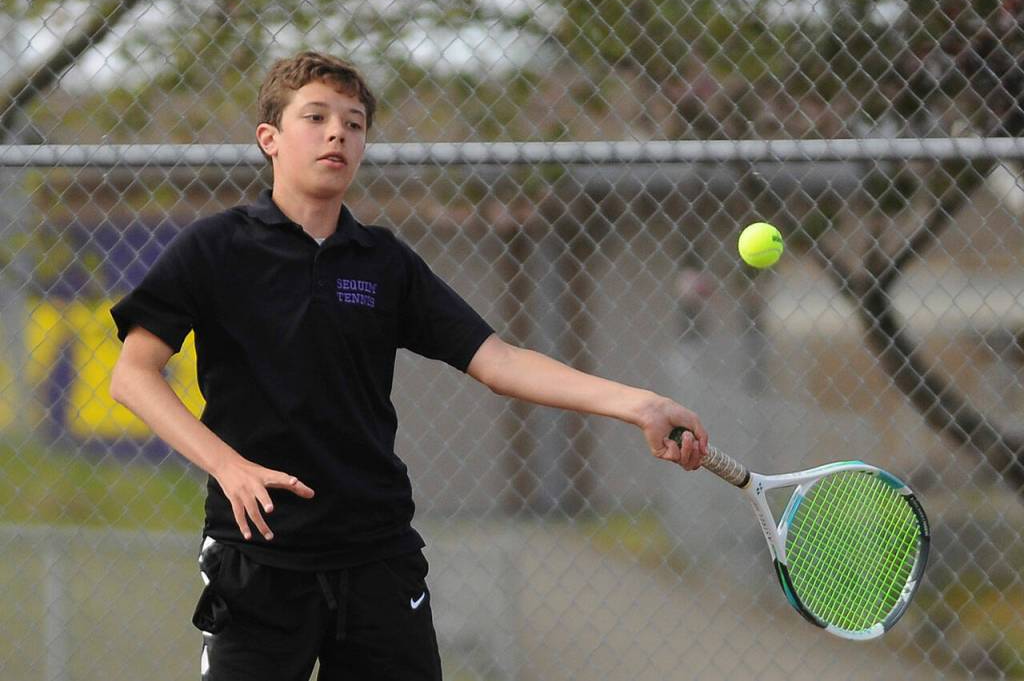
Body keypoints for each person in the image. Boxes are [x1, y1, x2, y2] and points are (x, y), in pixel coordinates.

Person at [108, 50, 708, 681]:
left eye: (355, 122)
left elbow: (499, 361)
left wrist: (637, 403)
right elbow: (133, 375)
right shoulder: (215, 247)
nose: (338, 132)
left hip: (377, 557)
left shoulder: (383, 261)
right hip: (256, 555)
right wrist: (226, 465)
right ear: (270, 139)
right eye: (315, 117)